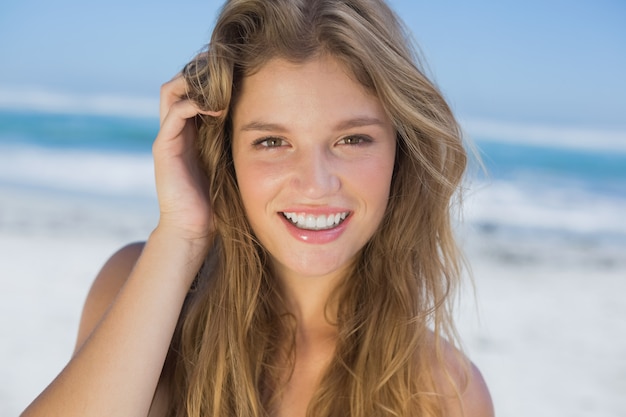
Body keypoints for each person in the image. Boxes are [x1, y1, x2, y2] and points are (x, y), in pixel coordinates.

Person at [22, 0, 493, 416]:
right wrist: (182, 235)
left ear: (401, 152)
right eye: (272, 141)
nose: (316, 184)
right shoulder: (137, 287)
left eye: (352, 139)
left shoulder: (445, 393)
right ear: (227, 153)